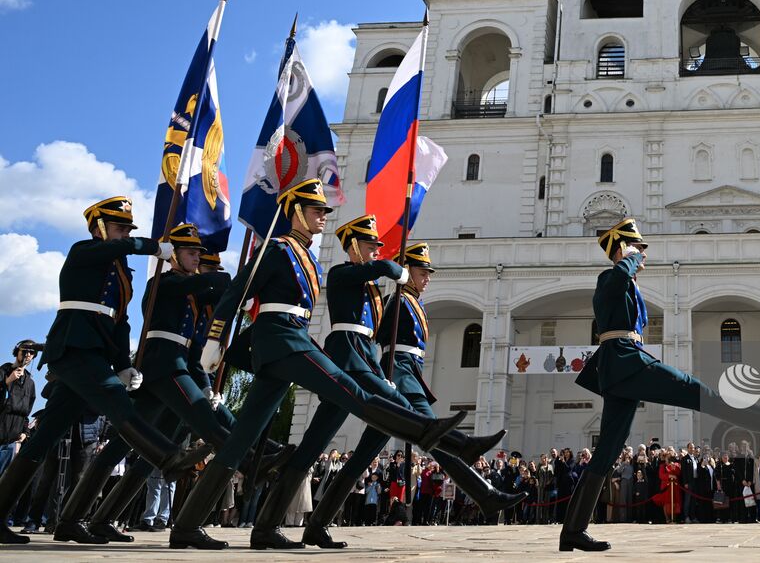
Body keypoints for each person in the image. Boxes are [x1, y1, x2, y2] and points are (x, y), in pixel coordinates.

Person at [169, 179, 485, 550]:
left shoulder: (305, 256)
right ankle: (443, 437)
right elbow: (239, 292)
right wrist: (214, 338)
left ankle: (205, 527)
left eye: (322, 210)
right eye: (316, 210)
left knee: (239, 441)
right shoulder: (277, 249)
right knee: (351, 392)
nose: (322, 216)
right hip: (281, 340)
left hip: (291, 341)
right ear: (296, 212)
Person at [250, 218, 512, 549]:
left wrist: (380, 363)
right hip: (349, 362)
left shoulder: (379, 292)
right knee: (410, 418)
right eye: (370, 245)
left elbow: (377, 334)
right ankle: (464, 449)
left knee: (318, 451)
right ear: (352, 247)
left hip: (366, 364)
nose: (376, 250)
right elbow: (377, 296)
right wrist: (393, 270)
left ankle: (307, 525)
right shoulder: (345, 274)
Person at [559, 218, 760, 551]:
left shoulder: (626, 282)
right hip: (625, 360)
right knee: (697, 391)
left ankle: (572, 531)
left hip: (623, 368)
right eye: (639, 250)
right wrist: (628, 258)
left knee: (607, 452)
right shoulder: (611, 278)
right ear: (625, 249)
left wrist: (629, 263)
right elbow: (615, 285)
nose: (643, 257)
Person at [0, 197, 206, 546]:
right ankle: (167, 456)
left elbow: (120, 322)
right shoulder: (84, 250)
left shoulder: (122, 270)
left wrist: (124, 365)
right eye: (119, 227)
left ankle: (66, 521)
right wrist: (151, 245)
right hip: (74, 347)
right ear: (99, 227)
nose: (125, 233)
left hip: (96, 350)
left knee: (44, 436)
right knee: (115, 400)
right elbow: (107, 263)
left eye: (128, 228)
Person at [0, 341, 38, 477]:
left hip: (12, 439)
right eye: (25, 351)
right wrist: (6, 382)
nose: (27, 355)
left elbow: (26, 412)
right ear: (17, 352)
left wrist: (25, 432)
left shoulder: (30, 383)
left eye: (31, 352)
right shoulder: (3, 371)